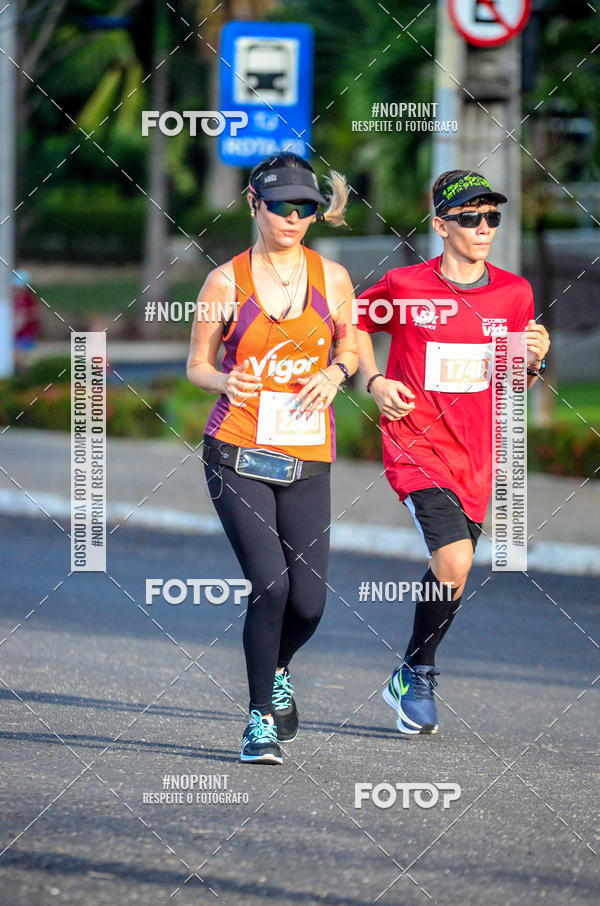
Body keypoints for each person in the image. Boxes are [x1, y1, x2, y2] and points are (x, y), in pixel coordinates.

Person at [356, 169, 551, 735]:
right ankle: (421, 672)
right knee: (456, 559)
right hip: (415, 442)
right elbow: (350, 324)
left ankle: (410, 668)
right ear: (441, 225)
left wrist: (534, 359)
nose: (484, 227)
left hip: (477, 454)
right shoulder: (405, 286)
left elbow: (516, 382)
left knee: (455, 569)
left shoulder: (515, 293)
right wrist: (373, 381)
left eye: (492, 217)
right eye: (470, 218)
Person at [187, 152, 358, 763]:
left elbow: (353, 342)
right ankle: (259, 718)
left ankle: (278, 668)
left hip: (308, 454)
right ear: (254, 204)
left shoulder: (332, 277)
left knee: (309, 600)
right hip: (237, 450)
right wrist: (224, 382)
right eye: (281, 204)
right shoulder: (224, 282)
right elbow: (197, 365)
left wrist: (338, 373)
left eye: (305, 207)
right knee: (270, 586)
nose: (293, 216)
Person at [12, 270, 39, 372]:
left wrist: (25, 316)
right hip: (14, 336)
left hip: (26, 335)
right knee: (16, 359)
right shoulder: (12, 299)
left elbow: (34, 314)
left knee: (23, 360)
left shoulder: (29, 299)